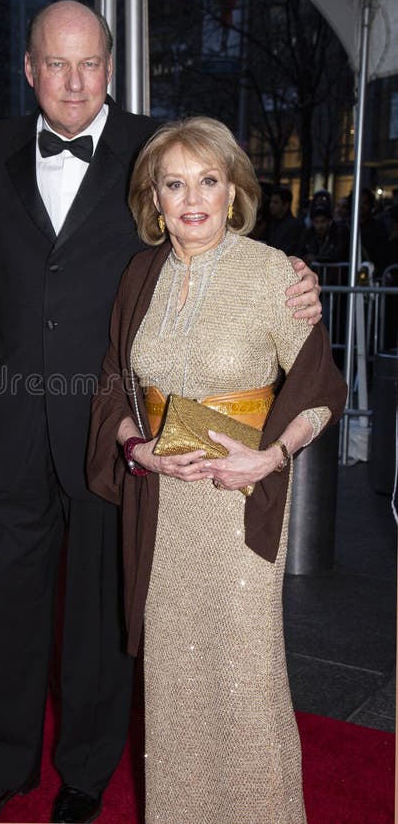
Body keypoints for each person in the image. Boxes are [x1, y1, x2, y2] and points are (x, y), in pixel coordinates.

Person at [0, 1, 323, 824]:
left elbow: (214, 234)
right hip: (16, 420)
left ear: (111, 69)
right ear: (29, 68)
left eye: (89, 64)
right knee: (9, 603)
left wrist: (296, 276)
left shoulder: (158, 151)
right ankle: (3, 769)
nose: (73, 81)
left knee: (97, 608)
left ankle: (85, 774)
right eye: (56, 63)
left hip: (112, 428)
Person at [87, 117, 346, 823]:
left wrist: (272, 455)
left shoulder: (272, 274)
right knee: (174, 684)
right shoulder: (139, 275)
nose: (192, 197)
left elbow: (324, 388)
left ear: (233, 191)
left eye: (208, 180)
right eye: (175, 183)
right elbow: (114, 380)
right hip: (164, 510)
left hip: (239, 508)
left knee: (244, 680)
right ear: (154, 197)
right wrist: (132, 447)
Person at [299, 194, 349, 266]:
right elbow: (299, 252)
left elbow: (337, 255)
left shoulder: (337, 233)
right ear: (313, 222)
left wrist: (316, 258)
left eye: (323, 221)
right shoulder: (308, 234)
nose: (320, 225)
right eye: (317, 222)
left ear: (329, 221)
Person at [266, 185, 304, 256]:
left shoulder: (294, 226)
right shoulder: (273, 222)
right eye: (271, 202)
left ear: (286, 205)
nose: (271, 205)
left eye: (276, 202)